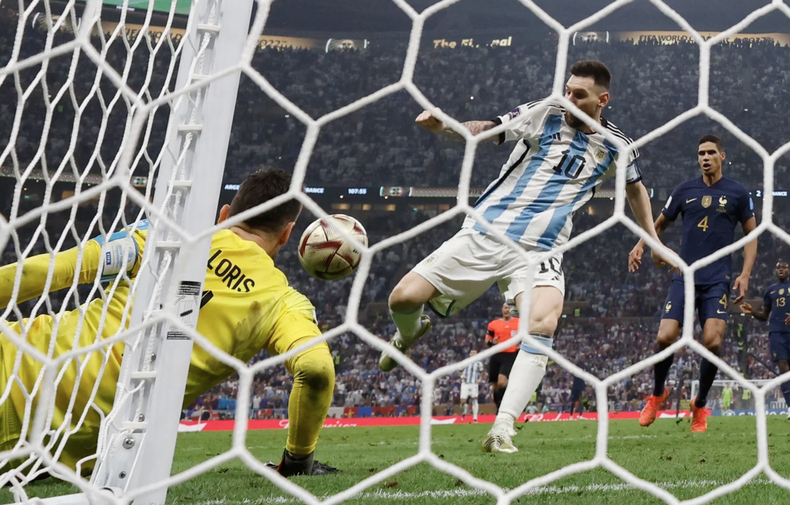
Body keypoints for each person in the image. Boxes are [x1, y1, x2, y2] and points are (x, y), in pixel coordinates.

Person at [376, 60, 674, 453]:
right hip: (486, 233)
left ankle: (502, 428)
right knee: (402, 298)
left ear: (602, 100)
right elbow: (486, 129)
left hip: (541, 248)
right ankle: (409, 332)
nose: (568, 98)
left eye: (579, 94)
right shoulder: (545, 112)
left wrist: (652, 239)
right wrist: (447, 126)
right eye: (567, 90)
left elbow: (636, 189)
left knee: (543, 323)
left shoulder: (617, 144)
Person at [0, 170, 337, 477]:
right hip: (59, 439)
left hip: (16, 355)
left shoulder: (167, 235)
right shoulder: (282, 302)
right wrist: (298, 461)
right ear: (286, 235)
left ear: (224, 214)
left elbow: (50, 270)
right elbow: (316, 368)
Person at [631, 135, 757, 433]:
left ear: (722, 156)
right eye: (701, 153)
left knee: (713, 342)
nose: (705, 157)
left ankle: (699, 405)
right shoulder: (684, 190)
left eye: (711, 152)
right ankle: (658, 393)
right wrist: (640, 245)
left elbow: (752, 236)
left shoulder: (738, 193)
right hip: (684, 275)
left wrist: (745, 273)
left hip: (718, 279)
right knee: (665, 337)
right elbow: (658, 224)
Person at [740, 260, 790, 418]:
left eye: (784, 267)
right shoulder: (770, 290)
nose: (781, 269)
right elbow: (764, 315)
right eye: (778, 267)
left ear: (788, 270)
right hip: (777, 332)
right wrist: (752, 311)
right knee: (783, 368)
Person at [486, 303, 519, 413]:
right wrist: (492, 341)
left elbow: (526, 336)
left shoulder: (519, 323)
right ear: (502, 309)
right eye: (505, 307)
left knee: (501, 382)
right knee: (495, 386)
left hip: (509, 355)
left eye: (509, 308)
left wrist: (520, 345)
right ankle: (498, 407)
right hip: (496, 354)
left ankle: (504, 406)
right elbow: (487, 341)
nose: (507, 310)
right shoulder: (493, 324)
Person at [459, 350, 484, 423]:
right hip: (465, 384)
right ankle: (464, 412)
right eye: (471, 353)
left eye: (474, 353)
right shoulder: (465, 362)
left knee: (474, 399)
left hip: (474, 384)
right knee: (463, 401)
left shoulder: (479, 363)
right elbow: (459, 370)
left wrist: (480, 378)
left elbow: (482, 372)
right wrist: (461, 376)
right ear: (469, 354)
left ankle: (475, 419)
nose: (473, 354)